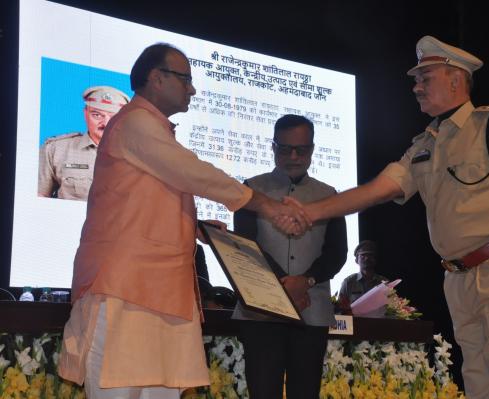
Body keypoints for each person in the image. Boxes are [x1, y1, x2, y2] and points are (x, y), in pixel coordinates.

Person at [286, 36, 489, 399]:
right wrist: (312, 211)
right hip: (459, 279)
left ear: (456, 80)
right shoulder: (425, 145)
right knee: (478, 383)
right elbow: (377, 189)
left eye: (425, 77)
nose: (416, 87)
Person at [57, 43, 308, 399]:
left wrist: (196, 226)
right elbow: (192, 172)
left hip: (159, 294)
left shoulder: (151, 129)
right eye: (186, 79)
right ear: (157, 78)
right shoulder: (134, 122)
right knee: (119, 388)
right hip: (124, 288)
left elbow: (144, 206)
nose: (192, 89)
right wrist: (265, 205)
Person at [233, 114, 348, 399]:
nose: (293, 156)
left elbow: (337, 253)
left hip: (312, 312)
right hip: (260, 311)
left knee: (305, 392)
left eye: (301, 149)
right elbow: (245, 245)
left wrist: (305, 280)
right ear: (273, 147)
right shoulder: (250, 189)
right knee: (262, 392)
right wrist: (285, 285)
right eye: (285, 148)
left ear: (311, 149)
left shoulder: (329, 195)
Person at [38, 86, 130, 200]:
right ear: (85, 113)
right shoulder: (55, 149)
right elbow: (37, 199)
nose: (105, 123)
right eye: (97, 115)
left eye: (113, 117)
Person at [338, 240, 387, 305]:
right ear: (356, 260)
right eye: (363, 255)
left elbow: (392, 309)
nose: (367, 258)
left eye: (370, 255)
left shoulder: (384, 282)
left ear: (375, 259)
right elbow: (340, 309)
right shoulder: (348, 282)